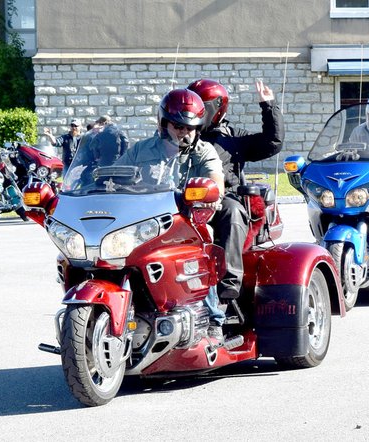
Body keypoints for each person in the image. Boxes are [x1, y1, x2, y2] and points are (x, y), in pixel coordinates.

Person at [115, 89, 226, 341]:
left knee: (199, 249)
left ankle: (213, 319)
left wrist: (210, 193)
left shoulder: (205, 152)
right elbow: (113, 176)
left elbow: (215, 182)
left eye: (190, 127)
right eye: (177, 126)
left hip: (184, 221)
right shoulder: (140, 151)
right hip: (141, 222)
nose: (184, 132)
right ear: (163, 123)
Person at [186, 78, 283, 321]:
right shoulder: (178, 133)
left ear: (216, 108)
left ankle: (228, 284)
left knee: (232, 211)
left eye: (202, 106)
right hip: (182, 197)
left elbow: (272, 142)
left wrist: (268, 106)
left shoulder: (233, 138)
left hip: (221, 198)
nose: (196, 111)